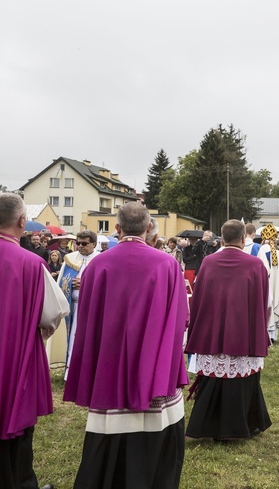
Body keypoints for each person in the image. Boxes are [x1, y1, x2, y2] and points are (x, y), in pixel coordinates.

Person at [63, 202, 189, 488]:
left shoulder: (98, 264)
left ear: (117, 229)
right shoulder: (167, 264)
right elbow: (181, 318)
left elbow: (89, 318)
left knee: (110, 429)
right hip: (152, 363)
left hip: (111, 361)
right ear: (148, 229)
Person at [0, 193, 68, 489]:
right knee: (17, 429)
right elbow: (54, 312)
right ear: (22, 221)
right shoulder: (31, 263)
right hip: (15, 358)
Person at [184, 219, 272, 440]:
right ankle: (244, 423)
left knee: (216, 375)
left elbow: (199, 299)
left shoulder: (209, 263)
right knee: (241, 375)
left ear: (221, 239)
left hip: (213, 331)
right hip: (243, 332)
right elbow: (265, 303)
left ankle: (208, 424)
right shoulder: (255, 265)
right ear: (244, 239)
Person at [57, 230, 99, 379]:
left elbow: (106, 285)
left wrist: (86, 284)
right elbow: (61, 282)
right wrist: (70, 286)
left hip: (92, 309)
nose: (80, 246)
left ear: (93, 243)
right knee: (73, 339)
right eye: (77, 243)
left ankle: (88, 373)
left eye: (84, 243)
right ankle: (71, 373)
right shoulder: (70, 259)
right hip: (72, 308)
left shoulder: (100, 260)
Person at [257, 224, 279, 343]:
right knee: (273, 303)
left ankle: (264, 333)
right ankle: (272, 335)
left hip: (265, 284)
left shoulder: (261, 250)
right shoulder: (277, 252)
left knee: (264, 306)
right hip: (275, 285)